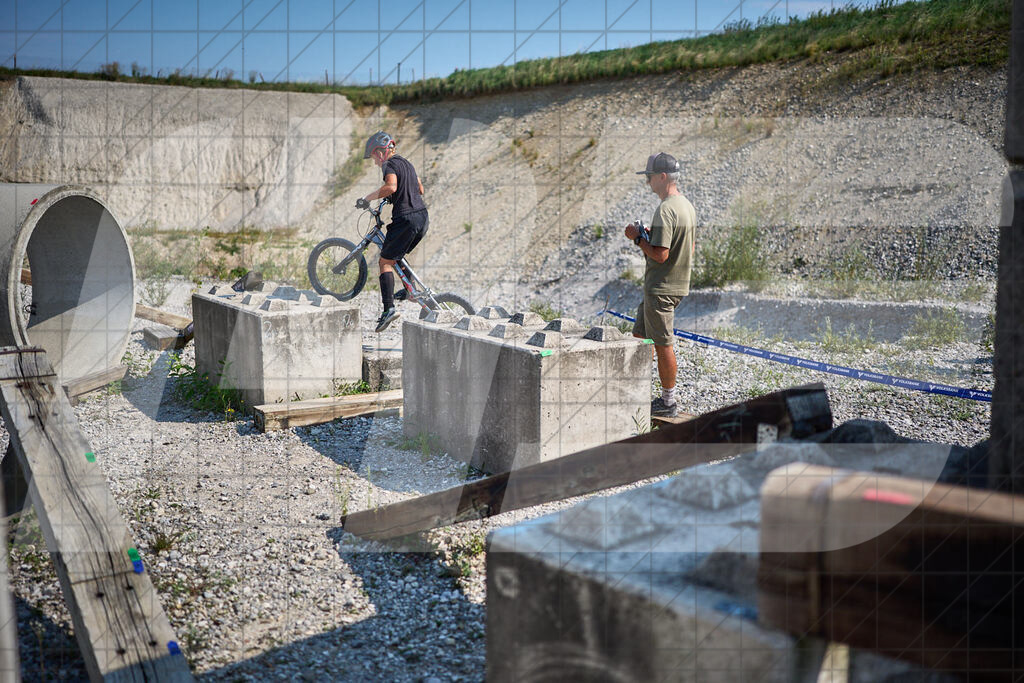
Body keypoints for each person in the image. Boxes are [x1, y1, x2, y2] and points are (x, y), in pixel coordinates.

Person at [623, 152, 696, 418]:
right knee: (641, 338)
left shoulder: (665, 209)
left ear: (662, 177)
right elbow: (688, 245)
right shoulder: (685, 206)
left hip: (661, 288)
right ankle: (634, 390)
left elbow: (661, 255)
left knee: (662, 343)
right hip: (672, 285)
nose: (648, 182)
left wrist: (637, 239)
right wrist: (652, 236)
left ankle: (668, 402)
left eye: (650, 177)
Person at [356, 131, 428, 332]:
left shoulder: (389, 164)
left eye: (373, 158)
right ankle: (409, 290)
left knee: (385, 261)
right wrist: (394, 198)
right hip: (422, 218)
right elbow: (419, 189)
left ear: (380, 152)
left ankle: (388, 309)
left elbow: (391, 186)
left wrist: (367, 198)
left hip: (406, 219)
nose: (375, 163)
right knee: (397, 254)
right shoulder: (408, 164)